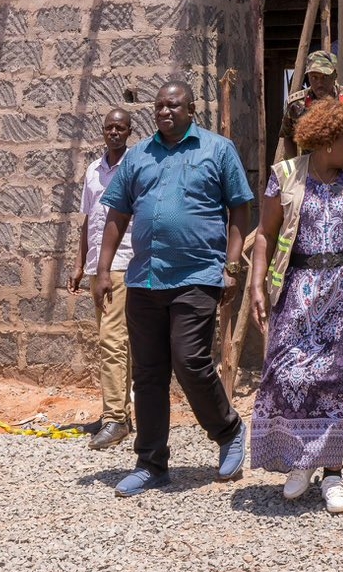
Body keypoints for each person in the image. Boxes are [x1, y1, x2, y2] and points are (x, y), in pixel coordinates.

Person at [96, 81, 255, 497]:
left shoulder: (218, 150)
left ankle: (229, 429)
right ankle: (151, 462)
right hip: (145, 277)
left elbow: (239, 206)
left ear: (191, 109)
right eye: (159, 106)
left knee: (190, 361)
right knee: (148, 375)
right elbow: (117, 213)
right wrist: (101, 268)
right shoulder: (139, 156)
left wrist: (233, 265)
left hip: (197, 274)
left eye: (173, 105)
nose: (165, 111)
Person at [246, 97, 343, 514]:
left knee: (337, 383)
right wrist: (257, 285)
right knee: (288, 373)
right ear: (328, 142)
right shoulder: (285, 177)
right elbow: (265, 235)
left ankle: (332, 474)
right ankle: (301, 460)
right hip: (296, 291)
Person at [72, 108, 136, 450]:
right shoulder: (94, 170)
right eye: (110, 127)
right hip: (99, 267)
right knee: (113, 340)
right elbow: (88, 220)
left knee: (113, 341)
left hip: (124, 263)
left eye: (120, 128)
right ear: (103, 131)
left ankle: (115, 420)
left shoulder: (134, 167)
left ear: (129, 132)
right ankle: (117, 412)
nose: (114, 132)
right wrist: (80, 264)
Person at [282, 50, 343, 157]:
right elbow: (287, 136)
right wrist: (296, 166)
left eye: (325, 77)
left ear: (335, 75)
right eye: (314, 77)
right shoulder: (296, 104)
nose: (319, 83)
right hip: (311, 167)